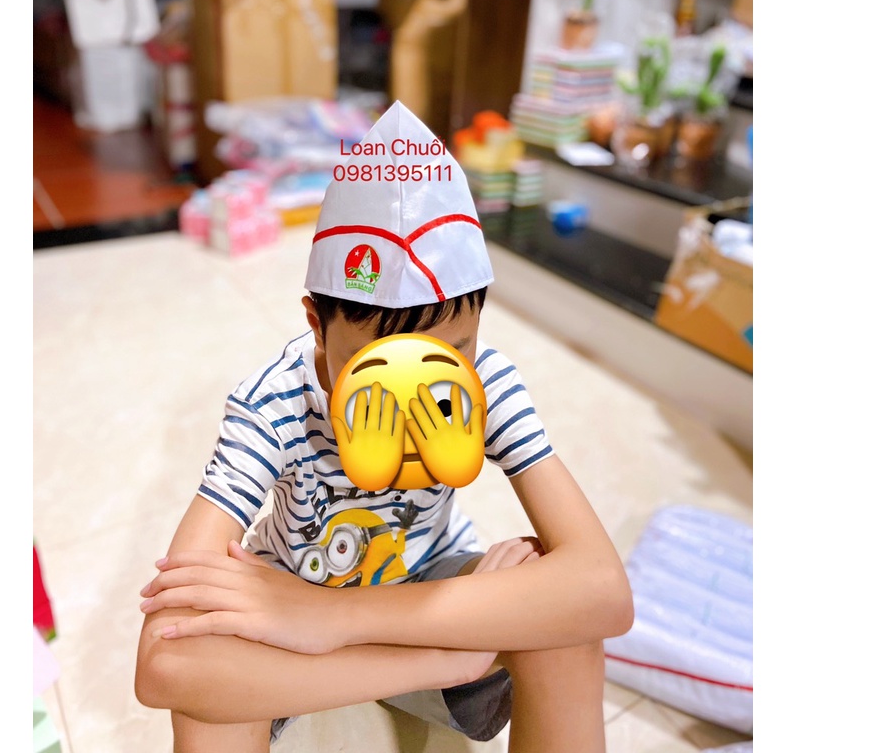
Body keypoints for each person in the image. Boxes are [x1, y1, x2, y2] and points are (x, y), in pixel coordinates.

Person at [134, 102, 634, 753]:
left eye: (453, 353)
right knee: (201, 672)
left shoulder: (485, 381)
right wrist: (436, 662)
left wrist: (338, 617)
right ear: (316, 325)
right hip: (305, 612)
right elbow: (162, 664)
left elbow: (604, 591)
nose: (412, 403)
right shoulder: (273, 404)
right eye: (373, 368)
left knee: (561, 611)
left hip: (412, 596)